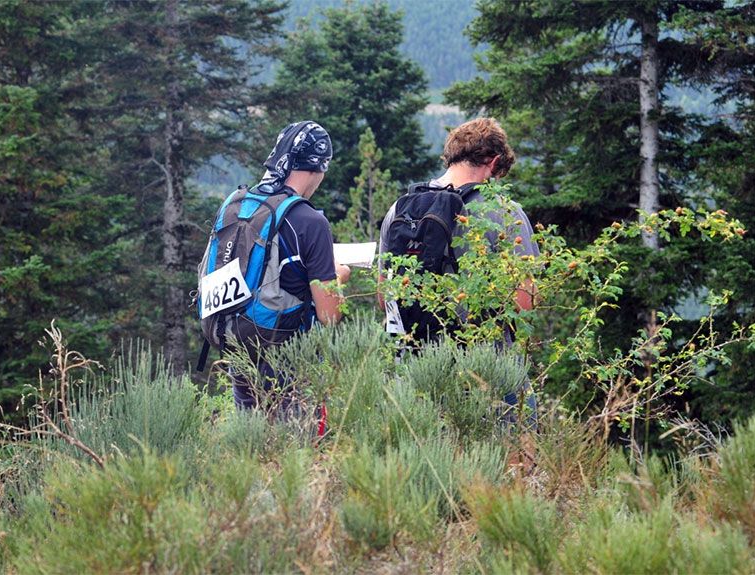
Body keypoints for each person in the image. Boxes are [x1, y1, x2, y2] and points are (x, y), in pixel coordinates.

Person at [378, 117, 539, 427]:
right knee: (515, 461)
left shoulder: (401, 208)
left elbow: (385, 296)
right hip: (489, 365)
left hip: (419, 363)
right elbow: (524, 302)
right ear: (493, 162)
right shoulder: (504, 212)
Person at [201, 120, 350, 413]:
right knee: (297, 448)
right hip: (287, 355)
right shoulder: (311, 221)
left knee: (251, 446)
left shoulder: (239, 204)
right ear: (318, 167)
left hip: (239, 342)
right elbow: (329, 315)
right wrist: (339, 276)